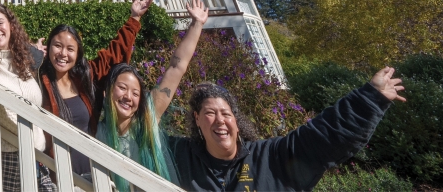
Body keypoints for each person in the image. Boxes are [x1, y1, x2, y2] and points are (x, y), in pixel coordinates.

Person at [166, 68, 405, 191]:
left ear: (236, 122)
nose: (220, 120)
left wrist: (370, 99)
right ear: (197, 120)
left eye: (226, 114)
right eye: (210, 113)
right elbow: (136, 132)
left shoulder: (272, 157)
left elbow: (324, 136)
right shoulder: (179, 156)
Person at [96, 0, 209, 191]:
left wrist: (196, 24)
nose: (128, 97)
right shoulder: (97, 131)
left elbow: (176, 67)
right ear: (108, 92)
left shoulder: (148, 116)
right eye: (122, 88)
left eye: (135, 93)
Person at [38, 0, 153, 180]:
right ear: (49, 47)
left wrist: (134, 19)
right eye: (57, 46)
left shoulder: (86, 77)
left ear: (78, 53)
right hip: (56, 176)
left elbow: (114, 55)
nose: (63, 54)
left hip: (95, 174)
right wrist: (33, 55)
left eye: (70, 49)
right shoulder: (38, 80)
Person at [0, 3, 55, 192]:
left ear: (11, 25)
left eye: (0, 23)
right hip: (3, 156)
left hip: (36, 154)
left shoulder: (27, 59)